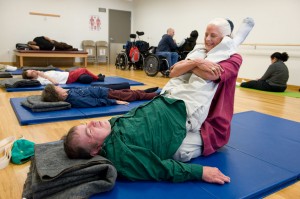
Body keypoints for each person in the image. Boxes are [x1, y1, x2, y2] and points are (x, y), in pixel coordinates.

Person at [62, 17, 254, 184]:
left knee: (192, 61)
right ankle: (234, 41)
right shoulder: (122, 156)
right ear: (96, 150)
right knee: (200, 77)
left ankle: (219, 47)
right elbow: (160, 168)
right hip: (183, 109)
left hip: (167, 97)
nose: (93, 122)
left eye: (87, 123)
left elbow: (175, 71)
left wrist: (189, 65)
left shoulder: (110, 127)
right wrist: (200, 172)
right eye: (89, 130)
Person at [41, 84, 159, 108]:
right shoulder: (74, 99)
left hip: (105, 90)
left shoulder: (69, 93)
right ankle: (156, 95)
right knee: (133, 95)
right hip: (107, 95)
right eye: (58, 88)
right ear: (58, 95)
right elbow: (94, 102)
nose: (60, 87)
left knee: (127, 91)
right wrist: (114, 102)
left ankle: (146, 91)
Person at [22, 68, 105, 85]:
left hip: (67, 74)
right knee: (83, 69)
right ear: (32, 78)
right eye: (31, 73)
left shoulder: (41, 73)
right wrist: (44, 76)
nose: (33, 71)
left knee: (81, 71)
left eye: (32, 70)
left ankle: (96, 77)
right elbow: (56, 83)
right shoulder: (41, 80)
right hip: (68, 78)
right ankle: (98, 79)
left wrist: (42, 73)